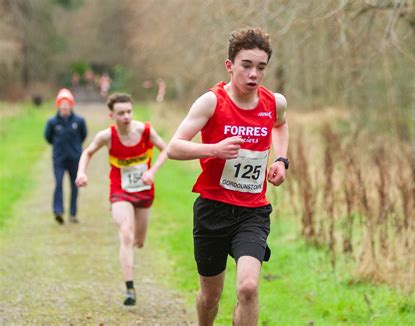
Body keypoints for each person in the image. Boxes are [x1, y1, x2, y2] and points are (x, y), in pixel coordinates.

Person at [167, 27, 289, 326]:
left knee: (248, 288)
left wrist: (282, 160)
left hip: (253, 211)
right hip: (213, 209)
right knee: (210, 298)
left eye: (261, 67)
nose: (253, 74)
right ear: (230, 65)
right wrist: (214, 149)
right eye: (246, 65)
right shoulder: (211, 102)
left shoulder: (274, 102)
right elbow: (174, 147)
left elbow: (281, 125)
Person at [75, 92, 167, 306]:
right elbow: (87, 153)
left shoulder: (145, 131)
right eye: (121, 113)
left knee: (139, 241)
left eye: (128, 111)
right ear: (111, 115)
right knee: (126, 232)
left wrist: (152, 171)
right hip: (120, 191)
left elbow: (167, 150)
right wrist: (81, 172)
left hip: (144, 191)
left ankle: (133, 250)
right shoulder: (106, 136)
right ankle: (130, 289)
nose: (126, 116)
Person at [45, 88, 87, 224]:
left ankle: (73, 214)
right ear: (58, 105)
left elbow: (83, 135)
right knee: (58, 184)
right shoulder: (52, 122)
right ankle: (58, 211)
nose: (64, 106)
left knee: (75, 186)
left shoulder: (79, 121)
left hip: (75, 158)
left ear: (71, 104)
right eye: (62, 104)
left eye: (67, 103)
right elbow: (48, 137)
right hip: (59, 158)